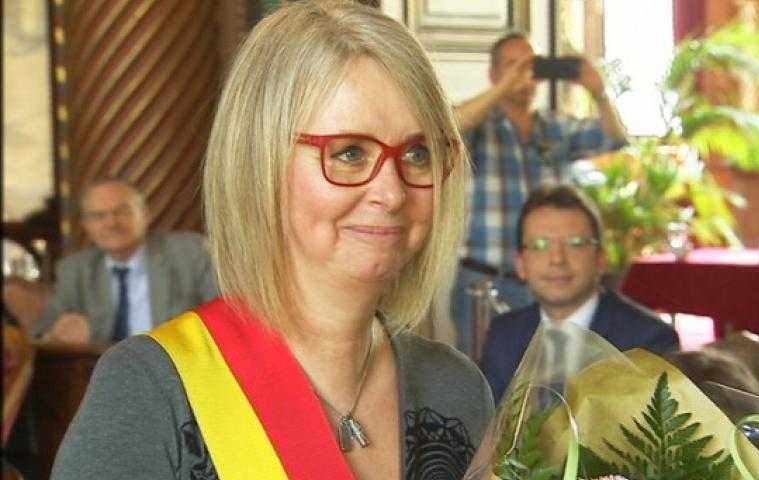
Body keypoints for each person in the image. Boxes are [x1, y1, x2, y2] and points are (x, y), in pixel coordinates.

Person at [51, 2, 493, 478]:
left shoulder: (457, 388)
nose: (392, 193)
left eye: (419, 153)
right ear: (260, 163)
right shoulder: (149, 388)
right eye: (349, 153)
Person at [451, 32, 629, 356]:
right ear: (494, 74)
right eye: (513, 65)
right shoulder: (480, 125)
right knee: (482, 378)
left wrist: (599, 91)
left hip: (549, 284)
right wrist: (504, 87)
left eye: (531, 65)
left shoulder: (556, 126)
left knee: (556, 376)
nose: (524, 74)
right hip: (486, 283)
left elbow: (614, 138)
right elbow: (447, 127)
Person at [479, 185, 679, 403]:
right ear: (520, 264)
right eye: (541, 245)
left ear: (601, 258)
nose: (557, 259)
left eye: (574, 244)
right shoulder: (504, 333)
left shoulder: (648, 339)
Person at [25, 177, 219, 343]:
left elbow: (225, 315)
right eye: (98, 216)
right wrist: (56, 334)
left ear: (145, 214)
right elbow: (39, 334)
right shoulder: (75, 270)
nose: (111, 223)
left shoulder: (190, 253)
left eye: (122, 211)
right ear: (86, 225)